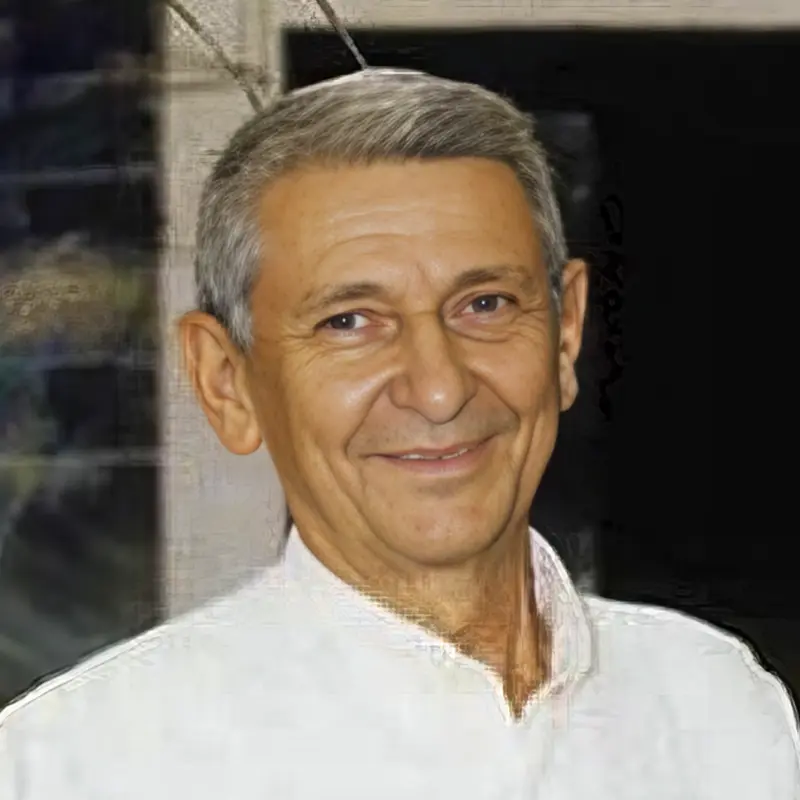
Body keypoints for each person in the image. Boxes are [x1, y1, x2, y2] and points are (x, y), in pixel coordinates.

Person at [0, 68, 798, 799]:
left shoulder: (715, 706)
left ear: (565, 336)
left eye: (485, 305)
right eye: (350, 321)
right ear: (226, 382)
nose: (440, 388)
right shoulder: (78, 765)